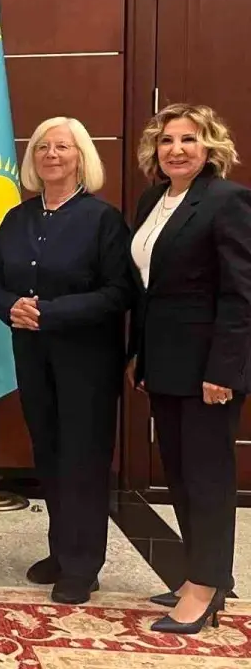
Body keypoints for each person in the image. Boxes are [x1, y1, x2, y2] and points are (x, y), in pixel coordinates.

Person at [0, 117, 133, 605]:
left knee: (83, 458)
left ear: (81, 157)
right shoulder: (17, 218)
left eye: (62, 147)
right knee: (48, 452)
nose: (51, 155)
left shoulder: (103, 219)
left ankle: (83, 566)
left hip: (87, 359)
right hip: (32, 354)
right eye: (43, 147)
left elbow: (119, 291)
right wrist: (10, 306)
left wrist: (51, 313)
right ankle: (61, 551)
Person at [128, 103, 251, 635]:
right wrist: (139, 353)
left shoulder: (227, 201)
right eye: (166, 140)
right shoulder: (153, 200)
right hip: (165, 362)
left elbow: (241, 295)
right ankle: (200, 574)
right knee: (179, 473)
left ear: (211, 147)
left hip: (208, 368)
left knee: (208, 478)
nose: (176, 149)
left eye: (189, 139)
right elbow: (147, 289)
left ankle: (206, 587)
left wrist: (224, 370)